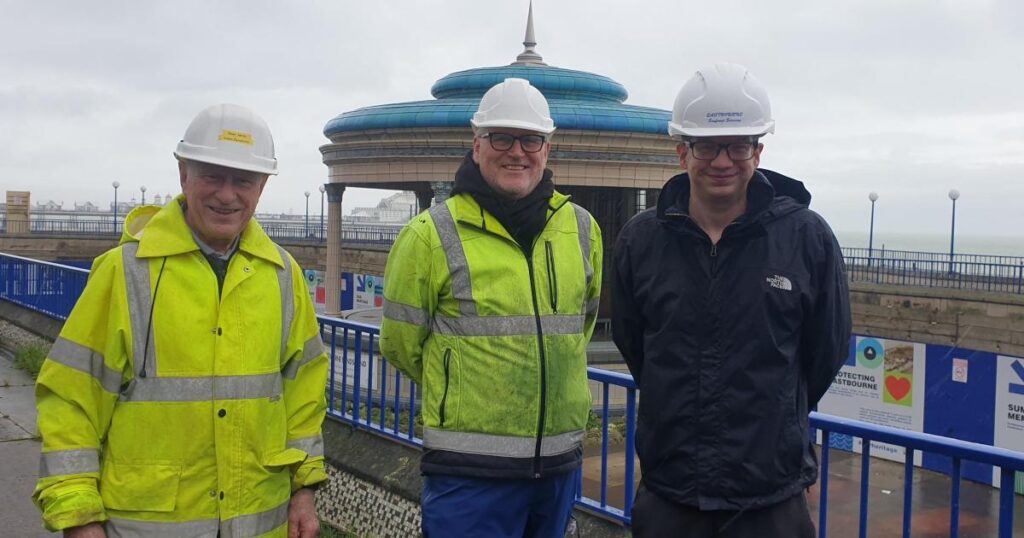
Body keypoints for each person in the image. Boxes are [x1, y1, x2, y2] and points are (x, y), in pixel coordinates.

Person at [33, 104, 329, 538]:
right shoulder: (125, 272)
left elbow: (304, 396)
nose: (227, 195)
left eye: (243, 181)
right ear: (183, 175)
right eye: (212, 176)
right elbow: (71, 400)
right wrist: (78, 514)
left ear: (262, 187)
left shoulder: (283, 276)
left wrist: (304, 490)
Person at [612, 63, 852, 537]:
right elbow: (634, 344)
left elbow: (826, 352)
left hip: (770, 499)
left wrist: (775, 419)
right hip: (671, 493)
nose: (722, 161)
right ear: (682, 151)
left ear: (758, 151)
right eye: (706, 146)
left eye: (738, 145)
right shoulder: (641, 241)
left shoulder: (807, 238)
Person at [379, 78, 602, 538]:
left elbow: (580, 326)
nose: (516, 152)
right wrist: (461, 385)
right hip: (468, 473)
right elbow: (401, 345)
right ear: (477, 144)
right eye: (501, 137)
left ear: (547, 149)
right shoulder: (428, 236)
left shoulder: (582, 229)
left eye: (530, 139)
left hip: (558, 466)